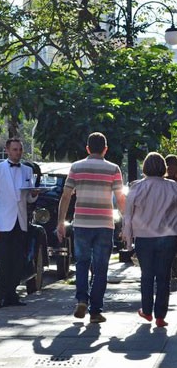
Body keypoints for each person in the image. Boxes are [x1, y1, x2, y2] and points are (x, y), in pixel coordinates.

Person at [57, 132, 126, 323]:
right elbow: (120, 198)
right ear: (105, 149)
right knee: (101, 268)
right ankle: (95, 311)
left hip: (82, 223)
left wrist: (60, 222)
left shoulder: (76, 167)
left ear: (87, 148)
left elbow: (66, 196)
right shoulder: (113, 169)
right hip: (104, 224)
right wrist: (126, 222)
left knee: (81, 263)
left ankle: (81, 299)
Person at [121, 152, 177, 328]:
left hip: (144, 237)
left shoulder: (137, 187)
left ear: (144, 168)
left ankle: (146, 310)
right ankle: (160, 316)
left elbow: (128, 217)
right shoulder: (173, 186)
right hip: (168, 236)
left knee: (147, 275)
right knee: (164, 276)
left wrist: (128, 241)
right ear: (163, 168)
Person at [0, 138, 39, 307]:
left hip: (20, 220)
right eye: (15, 149)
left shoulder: (27, 170)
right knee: (4, 260)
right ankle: (3, 294)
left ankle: (12, 293)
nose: (18, 153)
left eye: (20, 150)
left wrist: (35, 194)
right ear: (7, 150)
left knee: (19, 259)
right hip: (3, 221)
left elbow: (28, 199)